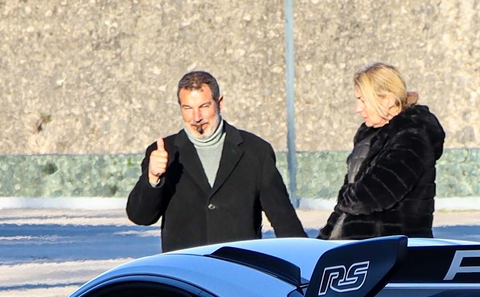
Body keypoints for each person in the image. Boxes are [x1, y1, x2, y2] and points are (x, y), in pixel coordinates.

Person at [125, 70, 307, 251]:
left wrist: (307, 260)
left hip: (238, 269)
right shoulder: (163, 152)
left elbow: (283, 218)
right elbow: (140, 216)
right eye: (187, 108)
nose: (196, 118)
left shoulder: (256, 151)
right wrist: (153, 178)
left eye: (204, 106)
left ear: (220, 103)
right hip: (184, 272)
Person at [318, 63, 445, 240]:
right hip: (362, 250)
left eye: (363, 100)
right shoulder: (369, 137)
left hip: (392, 252)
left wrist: (346, 196)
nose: (358, 108)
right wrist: (324, 240)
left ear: (388, 100)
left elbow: (370, 196)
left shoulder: (411, 138)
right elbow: (347, 205)